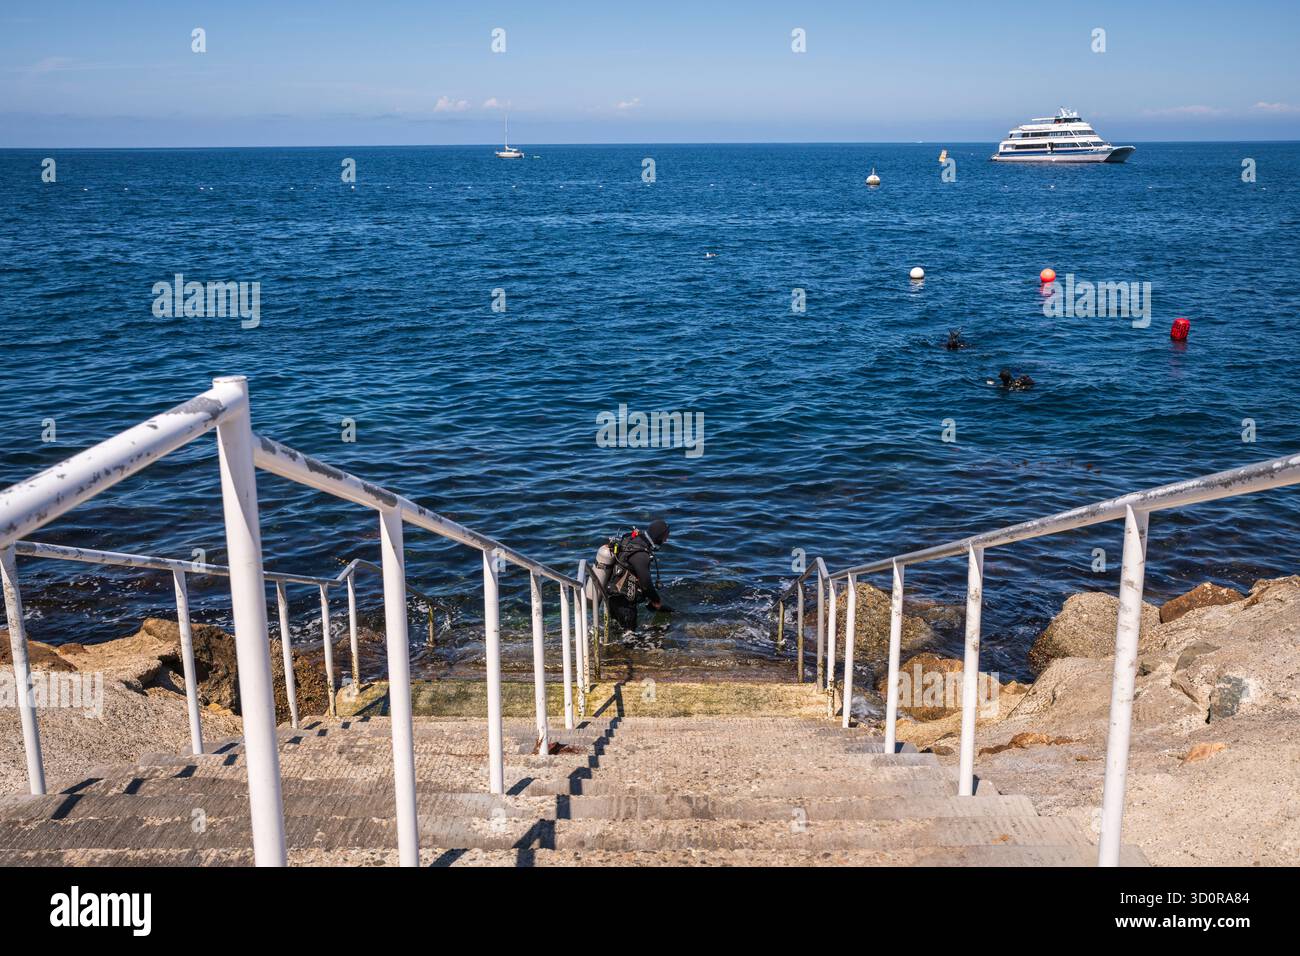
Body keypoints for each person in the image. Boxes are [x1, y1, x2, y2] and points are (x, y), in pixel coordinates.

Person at [603, 518, 672, 631]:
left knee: (617, 632)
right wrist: (656, 601)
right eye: (665, 537)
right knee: (629, 636)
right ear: (658, 536)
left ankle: (614, 648)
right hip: (624, 602)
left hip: (612, 596)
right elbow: (646, 584)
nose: (666, 540)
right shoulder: (641, 555)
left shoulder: (632, 539)